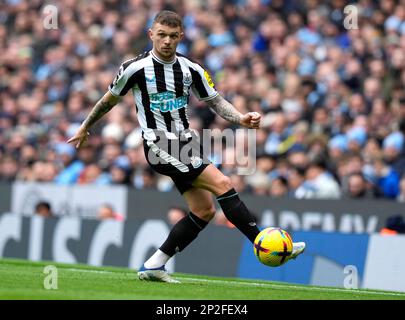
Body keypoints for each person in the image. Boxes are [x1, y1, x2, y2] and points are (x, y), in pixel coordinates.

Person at [68, 11, 305, 283]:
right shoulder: (134, 68)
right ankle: (267, 245)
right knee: (223, 183)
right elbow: (108, 100)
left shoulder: (191, 69)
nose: (166, 41)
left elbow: (215, 101)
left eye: (172, 36)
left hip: (184, 144)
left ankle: (155, 265)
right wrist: (86, 126)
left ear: (181, 36)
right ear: (151, 35)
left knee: (204, 211)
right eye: (161, 35)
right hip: (158, 145)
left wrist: (240, 117)